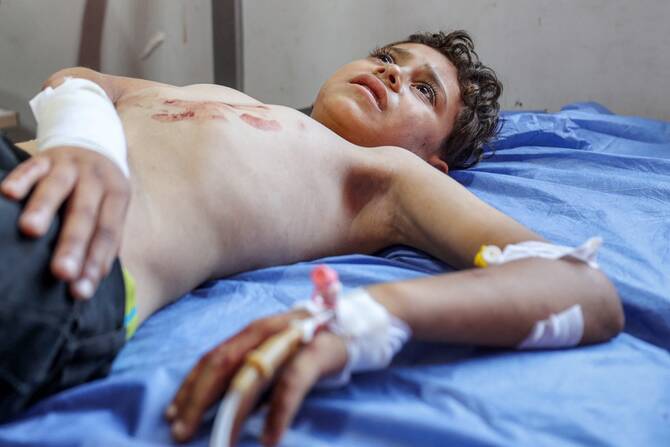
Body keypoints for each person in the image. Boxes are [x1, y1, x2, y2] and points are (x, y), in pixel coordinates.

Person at [0, 31, 623, 445]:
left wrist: (363, 319)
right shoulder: (203, 92)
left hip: (62, 248)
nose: (392, 73)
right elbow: (77, 80)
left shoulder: (383, 175)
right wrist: (85, 141)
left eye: (424, 89)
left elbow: (581, 290)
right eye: (388, 57)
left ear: (434, 161)